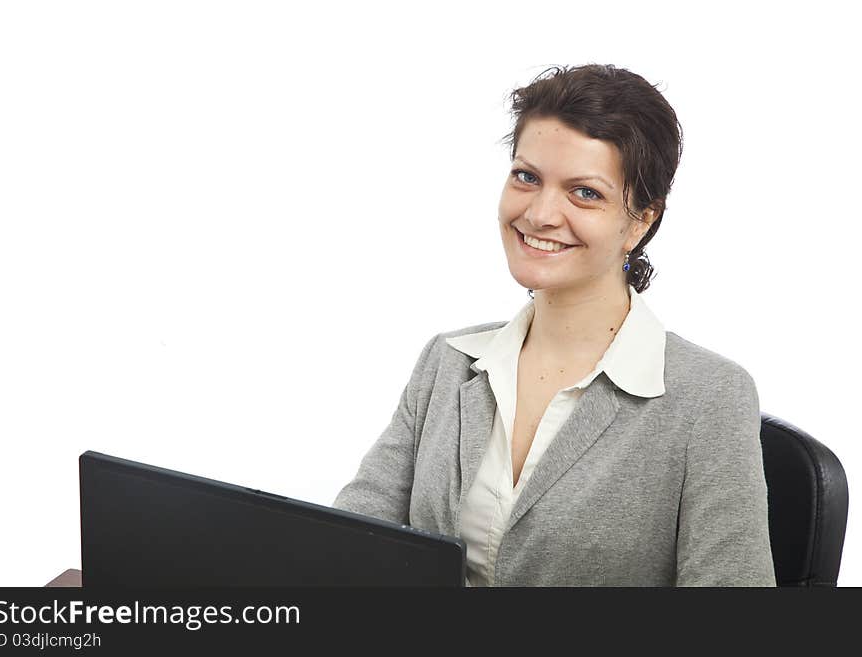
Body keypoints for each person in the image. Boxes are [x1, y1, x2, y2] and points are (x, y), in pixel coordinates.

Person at [332, 63, 776, 587]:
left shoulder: (709, 398)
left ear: (641, 220)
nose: (540, 214)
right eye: (527, 177)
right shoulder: (447, 363)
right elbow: (343, 549)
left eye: (584, 192)